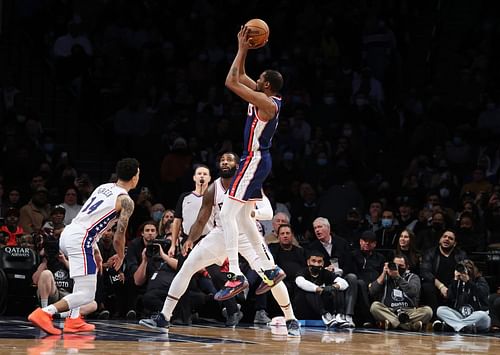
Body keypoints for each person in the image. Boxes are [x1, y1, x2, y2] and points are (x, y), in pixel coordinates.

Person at [139, 153, 300, 336]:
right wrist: (191, 238)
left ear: (237, 165)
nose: (225, 162)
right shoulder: (213, 189)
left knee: (271, 275)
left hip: (247, 235)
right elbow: (201, 219)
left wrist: (249, 214)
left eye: (229, 160)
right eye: (222, 160)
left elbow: (267, 212)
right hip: (221, 234)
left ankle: (291, 319)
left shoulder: (249, 184)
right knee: (187, 267)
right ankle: (164, 317)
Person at [28, 158, 139, 335]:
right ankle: (44, 313)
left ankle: (74, 319)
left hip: (70, 232)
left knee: (87, 279)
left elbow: (92, 218)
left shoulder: (104, 187)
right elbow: (119, 236)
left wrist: (95, 249)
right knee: (87, 294)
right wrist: (121, 255)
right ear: (135, 177)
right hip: (81, 238)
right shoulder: (127, 201)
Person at [217, 25, 285, 299]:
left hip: (254, 160)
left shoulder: (267, 104)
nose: (254, 81)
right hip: (255, 160)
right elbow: (238, 74)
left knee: (226, 214)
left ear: (266, 85)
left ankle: (234, 274)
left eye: (259, 80)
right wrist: (240, 49)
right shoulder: (263, 95)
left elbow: (231, 83)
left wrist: (244, 49)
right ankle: (269, 269)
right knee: (243, 217)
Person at [369, 254, 433, 331]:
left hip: (409, 312)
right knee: (374, 306)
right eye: (395, 265)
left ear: (407, 267)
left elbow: (413, 292)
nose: (398, 268)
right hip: (390, 311)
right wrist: (383, 273)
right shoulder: (385, 277)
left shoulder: (413, 277)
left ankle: (393, 324)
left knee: (428, 311)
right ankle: (409, 326)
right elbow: (372, 291)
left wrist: (398, 277)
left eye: (401, 266)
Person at [434, 260, 490, 333]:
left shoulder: (480, 280)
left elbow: (482, 294)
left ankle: (453, 326)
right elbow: (449, 297)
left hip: (475, 317)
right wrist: (455, 280)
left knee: (483, 315)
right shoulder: (457, 282)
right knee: (440, 310)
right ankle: (462, 327)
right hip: (460, 315)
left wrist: (469, 282)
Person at [168, 165, 211, 257]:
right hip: (187, 239)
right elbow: (177, 221)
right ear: (194, 178)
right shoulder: (184, 197)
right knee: (183, 269)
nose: (202, 176)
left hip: (207, 240)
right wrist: (173, 245)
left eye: (205, 174)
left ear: (209, 178)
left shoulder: (213, 197)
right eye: (199, 174)